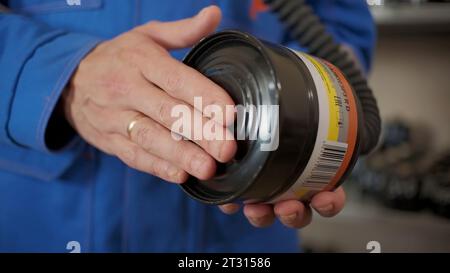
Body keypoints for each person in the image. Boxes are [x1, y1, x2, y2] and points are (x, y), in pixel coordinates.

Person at [0, 0, 375, 252]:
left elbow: (339, 27)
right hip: (46, 213)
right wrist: (60, 78)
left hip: (245, 214)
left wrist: (316, 114)